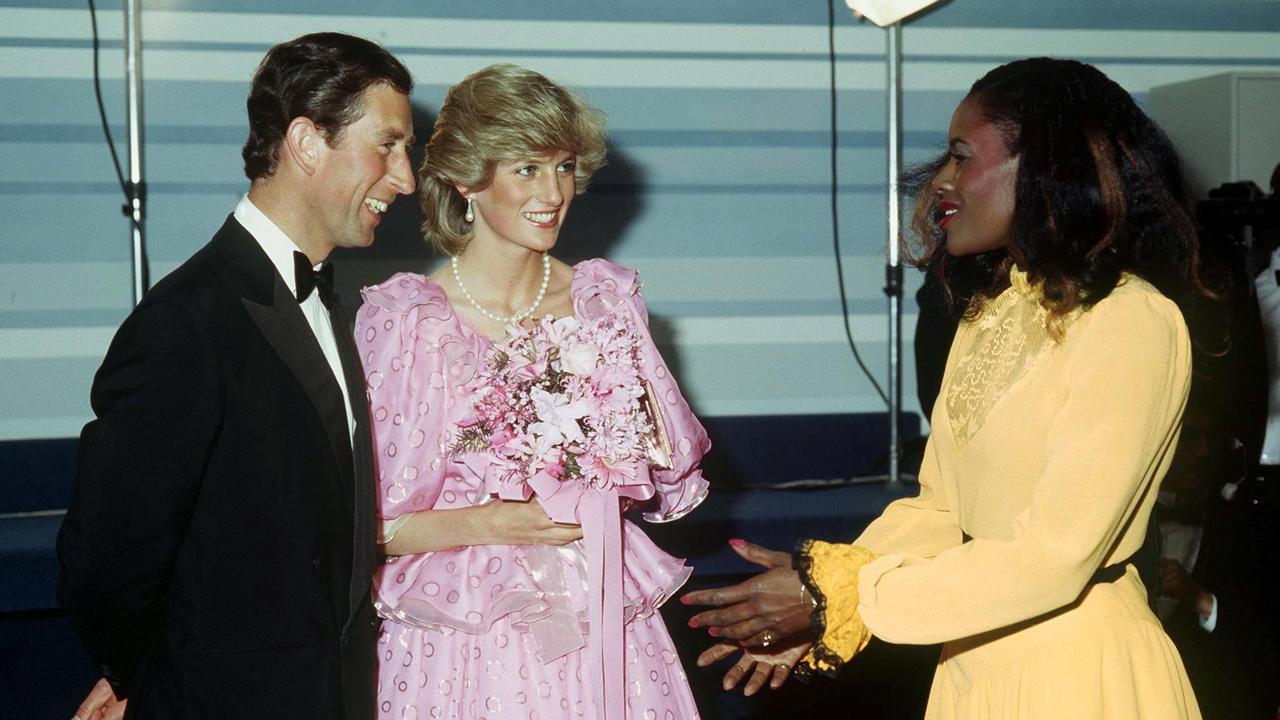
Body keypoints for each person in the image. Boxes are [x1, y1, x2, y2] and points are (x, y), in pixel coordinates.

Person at [683, 57, 1207, 718]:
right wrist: (824, 593)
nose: (943, 182)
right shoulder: (990, 311)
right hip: (971, 663)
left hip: (1076, 673)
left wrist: (845, 598)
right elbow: (938, 513)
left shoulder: (1131, 320)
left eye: (962, 156)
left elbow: (1054, 557)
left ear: (1048, 168)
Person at [57, 32, 416, 720]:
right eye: (387, 145)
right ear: (307, 142)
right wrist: (144, 677)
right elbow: (107, 558)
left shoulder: (326, 303)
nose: (404, 177)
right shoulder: (185, 322)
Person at [354, 63, 708, 720]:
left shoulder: (604, 304)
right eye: (526, 169)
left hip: (605, 628)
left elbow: (672, 486)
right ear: (465, 179)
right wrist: (491, 523)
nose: (555, 191)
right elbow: (361, 527)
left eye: (565, 166)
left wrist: (613, 464)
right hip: (462, 645)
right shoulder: (413, 323)